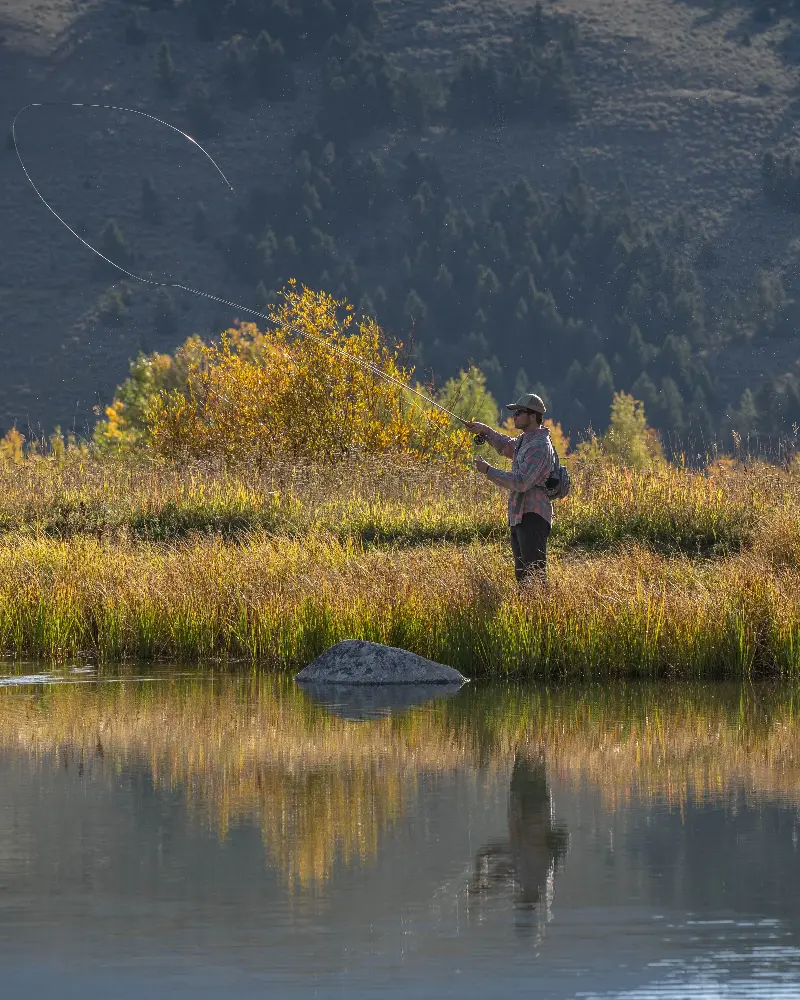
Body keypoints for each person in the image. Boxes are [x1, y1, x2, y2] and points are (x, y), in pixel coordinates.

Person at [466, 392, 555, 585]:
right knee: (523, 577)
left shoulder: (539, 446)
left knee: (535, 576)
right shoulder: (526, 440)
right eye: (514, 412)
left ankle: (543, 613)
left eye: (519, 412)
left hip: (533, 516)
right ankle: (528, 613)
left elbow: (522, 482)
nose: (514, 416)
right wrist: (484, 430)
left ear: (533, 416)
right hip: (520, 516)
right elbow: (506, 446)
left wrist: (489, 471)